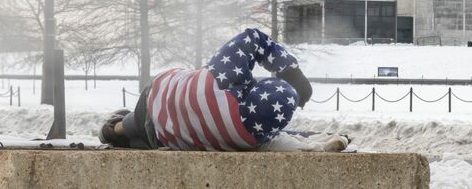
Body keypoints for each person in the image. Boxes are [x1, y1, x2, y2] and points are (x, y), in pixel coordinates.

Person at [99, 28, 313, 151]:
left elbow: (253, 38)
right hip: (165, 136)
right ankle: (119, 133)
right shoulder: (250, 140)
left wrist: (291, 72)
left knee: (134, 122)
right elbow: (278, 136)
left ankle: (112, 129)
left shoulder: (224, 78)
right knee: (141, 135)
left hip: (158, 96)